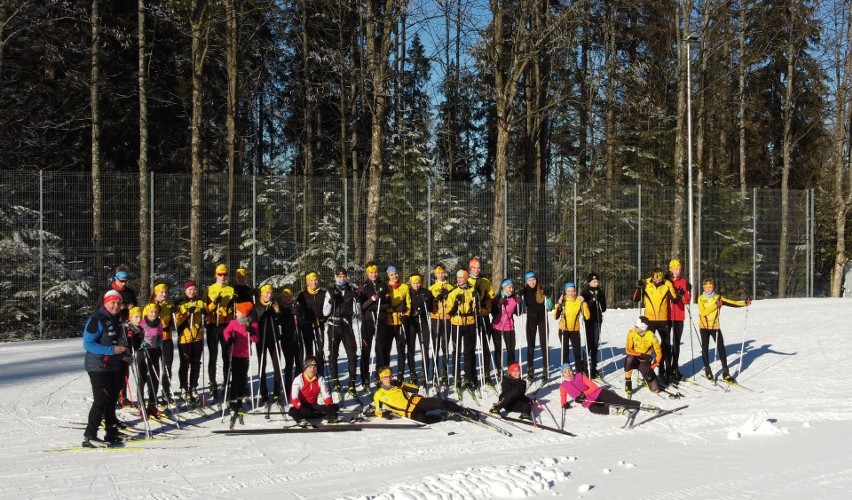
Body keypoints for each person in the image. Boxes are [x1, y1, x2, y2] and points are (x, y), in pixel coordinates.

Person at [82, 290, 131, 447]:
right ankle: (90, 435)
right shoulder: (97, 319)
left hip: (112, 365)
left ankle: (111, 431)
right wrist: (112, 351)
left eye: (118, 303)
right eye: (112, 302)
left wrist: (121, 356)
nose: (116, 305)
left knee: (111, 400)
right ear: (105, 302)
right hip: (98, 366)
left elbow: (113, 341)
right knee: (101, 400)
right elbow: (88, 344)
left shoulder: (115, 318)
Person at [372, 367, 479, 424]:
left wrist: (401, 384)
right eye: (385, 377)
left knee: (440, 403)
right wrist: (384, 414)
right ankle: (444, 416)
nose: (388, 379)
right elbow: (377, 411)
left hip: (416, 402)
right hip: (408, 412)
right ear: (380, 379)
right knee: (423, 420)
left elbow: (415, 389)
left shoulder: (397, 384)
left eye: (390, 376)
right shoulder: (379, 395)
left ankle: (463, 411)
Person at [697, 278, 751, 382]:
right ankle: (708, 370)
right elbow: (703, 312)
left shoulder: (718, 298)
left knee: (721, 348)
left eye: (710, 287)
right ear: (704, 288)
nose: (708, 289)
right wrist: (715, 305)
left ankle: (725, 371)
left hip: (715, 326)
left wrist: (745, 303)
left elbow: (732, 303)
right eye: (706, 287)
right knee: (705, 348)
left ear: (713, 287)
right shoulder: (700, 298)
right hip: (703, 327)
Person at [633, 268, 682, 382]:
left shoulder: (667, 283)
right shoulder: (646, 283)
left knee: (666, 345)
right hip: (649, 321)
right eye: (656, 277)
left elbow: (674, 300)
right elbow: (635, 299)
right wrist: (638, 287)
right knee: (647, 346)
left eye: (660, 276)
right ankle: (646, 371)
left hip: (663, 320)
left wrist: (680, 294)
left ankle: (667, 371)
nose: (658, 279)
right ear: (652, 276)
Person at [323, 267, 360, 393]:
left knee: (352, 353)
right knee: (333, 354)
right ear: (335, 277)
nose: (342, 278)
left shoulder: (351, 289)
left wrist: (357, 300)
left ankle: (352, 382)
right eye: (339, 276)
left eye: (344, 276)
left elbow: (357, 311)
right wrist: (330, 300)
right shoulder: (330, 290)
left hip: (346, 324)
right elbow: (325, 312)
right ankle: (335, 380)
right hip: (334, 324)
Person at [222, 302, 259, 427]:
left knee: (243, 379)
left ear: (244, 314)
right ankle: (232, 402)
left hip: (245, 356)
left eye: (237, 311)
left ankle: (239, 401)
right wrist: (229, 339)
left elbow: (256, 339)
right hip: (234, 354)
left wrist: (252, 333)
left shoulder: (252, 324)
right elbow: (225, 332)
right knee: (235, 379)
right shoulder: (233, 323)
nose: (235, 313)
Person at [559, 364, 642, 417]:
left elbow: (593, 386)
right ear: (563, 374)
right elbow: (563, 400)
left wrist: (583, 394)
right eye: (565, 372)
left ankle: (641, 405)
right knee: (593, 409)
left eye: (569, 370)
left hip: (597, 393)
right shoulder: (563, 386)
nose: (568, 373)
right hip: (588, 401)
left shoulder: (580, 376)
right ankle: (620, 411)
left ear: (572, 371)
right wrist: (564, 405)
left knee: (620, 400)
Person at [357, 262, 390, 388]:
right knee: (366, 350)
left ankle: (379, 377)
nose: (373, 274)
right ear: (367, 273)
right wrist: (373, 299)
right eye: (371, 272)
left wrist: (377, 306)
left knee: (380, 350)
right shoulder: (363, 286)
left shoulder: (383, 285)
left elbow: (388, 304)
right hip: (367, 321)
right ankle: (365, 378)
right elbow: (361, 306)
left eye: (375, 272)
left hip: (380, 320)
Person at [205, 264, 236, 398]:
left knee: (226, 356)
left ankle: (226, 383)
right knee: (213, 355)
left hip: (225, 325)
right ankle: (212, 383)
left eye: (225, 274)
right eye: (220, 274)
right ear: (215, 275)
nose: (222, 277)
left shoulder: (231, 289)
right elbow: (204, 309)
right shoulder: (209, 289)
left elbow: (235, 310)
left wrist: (231, 305)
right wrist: (213, 304)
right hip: (213, 325)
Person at [173, 281, 205, 404]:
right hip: (184, 338)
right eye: (189, 289)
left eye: (194, 289)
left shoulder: (200, 302)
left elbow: (207, 316)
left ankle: (193, 386)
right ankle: (184, 388)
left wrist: (204, 313)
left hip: (197, 336)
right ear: (185, 291)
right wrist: (187, 313)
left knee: (196, 363)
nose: (192, 292)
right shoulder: (180, 303)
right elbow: (176, 321)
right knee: (185, 363)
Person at [468, 258, 497, 386]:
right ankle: (472, 373)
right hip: (471, 317)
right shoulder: (466, 280)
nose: (477, 270)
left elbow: (491, 296)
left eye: (478, 267)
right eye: (474, 267)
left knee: (485, 344)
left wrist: (488, 301)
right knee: (471, 345)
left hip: (483, 315)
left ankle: (486, 372)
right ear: (470, 268)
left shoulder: (485, 281)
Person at [447, 269, 477, 389]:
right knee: (457, 350)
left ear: (466, 278)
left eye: (461, 277)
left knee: (469, 351)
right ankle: (457, 375)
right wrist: (455, 304)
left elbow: (476, 308)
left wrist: (477, 299)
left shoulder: (472, 290)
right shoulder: (454, 291)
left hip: (470, 322)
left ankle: (468, 376)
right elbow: (448, 311)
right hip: (457, 323)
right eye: (457, 277)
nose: (459, 279)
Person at [288, 356, 340, 426]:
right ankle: (301, 420)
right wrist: (301, 408)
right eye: (310, 367)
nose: (312, 370)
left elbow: (326, 395)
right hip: (302, 406)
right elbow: (294, 398)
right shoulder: (299, 379)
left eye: (314, 367)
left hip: (313, 406)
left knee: (334, 407)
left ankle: (331, 417)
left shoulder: (320, 379)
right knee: (292, 410)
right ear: (305, 368)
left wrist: (329, 406)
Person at [255, 284, 284, 404]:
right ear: (262, 294)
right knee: (262, 364)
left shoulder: (275, 304)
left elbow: (281, 320)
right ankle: (263, 391)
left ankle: (277, 390)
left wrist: (277, 314)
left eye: (271, 293)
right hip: (261, 339)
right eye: (267, 293)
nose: (269, 295)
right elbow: (253, 321)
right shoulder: (257, 305)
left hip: (273, 337)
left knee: (277, 364)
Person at [521, 271, 551, 383]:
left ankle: (545, 369)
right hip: (531, 319)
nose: (531, 282)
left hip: (542, 318)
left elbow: (549, 307)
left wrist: (548, 296)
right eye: (529, 280)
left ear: (536, 279)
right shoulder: (525, 292)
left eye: (533, 279)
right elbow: (522, 308)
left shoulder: (541, 290)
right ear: (526, 281)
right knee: (530, 345)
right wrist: (520, 300)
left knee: (544, 344)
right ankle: (530, 368)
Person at [134, 303, 164, 418]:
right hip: (143, 352)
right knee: (143, 378)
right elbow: (136, 335)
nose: (154, 314)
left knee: (155, 378)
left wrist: (160, 340)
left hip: (155, 351)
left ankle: (152, 403)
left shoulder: (158, 323)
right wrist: (139, 343)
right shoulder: (142, 322)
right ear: (147, 312)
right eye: (151, 312)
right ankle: (141, 405)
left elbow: (160, 334)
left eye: (156, 312)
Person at [553, 282, 590, 373]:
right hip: (563, 329)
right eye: (568, 291)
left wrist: (584, 303)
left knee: (577, 352)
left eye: (572, 291)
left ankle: (578, 371)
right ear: (565, 292)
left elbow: (587, 316)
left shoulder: (578, 301)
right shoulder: (563, 301)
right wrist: (559, 304)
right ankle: (567, 371)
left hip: (575, 329)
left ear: (575, 291)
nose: (571, 293)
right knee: (565, 351)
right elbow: (555, 316)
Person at [623, 316, 663, 398]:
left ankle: (647, 379)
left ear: (643, 328)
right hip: (634, 359)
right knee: (629, 358)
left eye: (637, 326)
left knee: (655, 389)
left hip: (644, 362)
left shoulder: (652, 337)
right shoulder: (631, 332)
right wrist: (641, 354)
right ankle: (628, 382)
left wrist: (652, 368)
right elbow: (628, 350)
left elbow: (659, 354)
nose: (635, 327)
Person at [428, 264, 454, 387]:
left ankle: (444, 370)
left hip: (446, 318)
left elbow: (452, 302)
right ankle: (434, 370)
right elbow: (428, 304)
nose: (440, 275)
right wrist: (435, 300)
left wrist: (447, 296)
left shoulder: (450, 287)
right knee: (436, 344)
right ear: (435, 274)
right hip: (435, 317)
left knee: (445, 344)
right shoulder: (431, 288)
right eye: (438, 273)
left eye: (442, 272)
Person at [296, 271, 326, 372]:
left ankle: (320, 374)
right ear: (307, 282)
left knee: (320, 351)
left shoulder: (323, 293)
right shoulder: (302, 295)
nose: (314, 282)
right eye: (311, 281)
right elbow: (299, 311)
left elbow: (327, 309)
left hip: (319, 325)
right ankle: (309, 373)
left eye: (315, 280)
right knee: (309, 351)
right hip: (307, 326)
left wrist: (323, 319)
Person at [384, 266, 411, 380]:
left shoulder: (404, 287)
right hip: (389, 322)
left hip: (400, 321)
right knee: (387, 349)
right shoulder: (385, 287)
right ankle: (386, 374)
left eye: (395, 273)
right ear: (388, 276)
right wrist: (392, 309)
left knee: (401, 348)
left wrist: (406, 315)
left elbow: (408, 303)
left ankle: (400, 374)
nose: (394, 276)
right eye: (391, 274)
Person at [666, 260, 691, 382]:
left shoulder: (683, 281)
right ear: (670, 269)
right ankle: (666, 368)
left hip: (679, 315)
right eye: (675, 269)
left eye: (679, 269)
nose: (678, 271)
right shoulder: (666, 281)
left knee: (676, 343)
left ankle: (675, 367)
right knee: (665, 343)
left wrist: (686, 292)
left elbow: (687, 300)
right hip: (666, 315)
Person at [579, 273, 607, 379]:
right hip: (588, 320)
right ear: (589, 282)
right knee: (589, 343)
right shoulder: (585, 292)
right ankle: (585, 366)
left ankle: (594, 367)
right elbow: (583, 307)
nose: (596, 283)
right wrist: (591, 300)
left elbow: (604, 308)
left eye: (597, 281)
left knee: (595, 343)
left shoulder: (600, 292)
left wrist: (600, 301)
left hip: (598, 320)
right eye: (594, 281)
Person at [150, 283, 174, 403]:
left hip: (167, 340)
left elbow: (175, 322)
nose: (164, 294)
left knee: (167, 367)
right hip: (155, 341)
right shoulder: (150, 306)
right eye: (161, 292)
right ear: (155, 293)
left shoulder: (169, 305)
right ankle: (152, 396)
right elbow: (146, 322)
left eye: (165, 292)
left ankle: (166, 392)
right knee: (155, 368)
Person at [491, 279, 521, 377]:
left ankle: (511, 369)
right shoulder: (497, 298)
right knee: (499, 349)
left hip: (509, 327)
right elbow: (493, 313)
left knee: (511, 349)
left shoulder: (513, 298)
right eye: (509, 287)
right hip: (497, 326)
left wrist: (519, 304)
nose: (511, 289)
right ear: (504, 287)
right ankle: (499, 370)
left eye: (512, 287)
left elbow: (519, 313)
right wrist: (499, 304)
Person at [407, 273, 432, 386]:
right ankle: (413, 373)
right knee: (411, 348)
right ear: (411, 283)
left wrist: (426, 304)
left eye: (418, 283)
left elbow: (431, 307)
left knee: (425, 347)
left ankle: (425, 372)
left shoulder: (426, 292)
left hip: (423, 322)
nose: (416, 285)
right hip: (411, 322)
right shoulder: (408, 291)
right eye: (414, 283)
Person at [278, 288, 301, 393]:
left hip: (297, 338)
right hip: (286, 339)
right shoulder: (280, 308)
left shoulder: (296, 306)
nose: (287, 298)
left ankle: (298, 385)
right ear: (282, 298)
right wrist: (289, 314)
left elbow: (303, 321)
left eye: (289, 296)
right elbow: (281, 323)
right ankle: (288, 387)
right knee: (289, 363)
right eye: (285, 296)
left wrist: (298, 314)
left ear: (292, 296)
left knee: (299, 362)